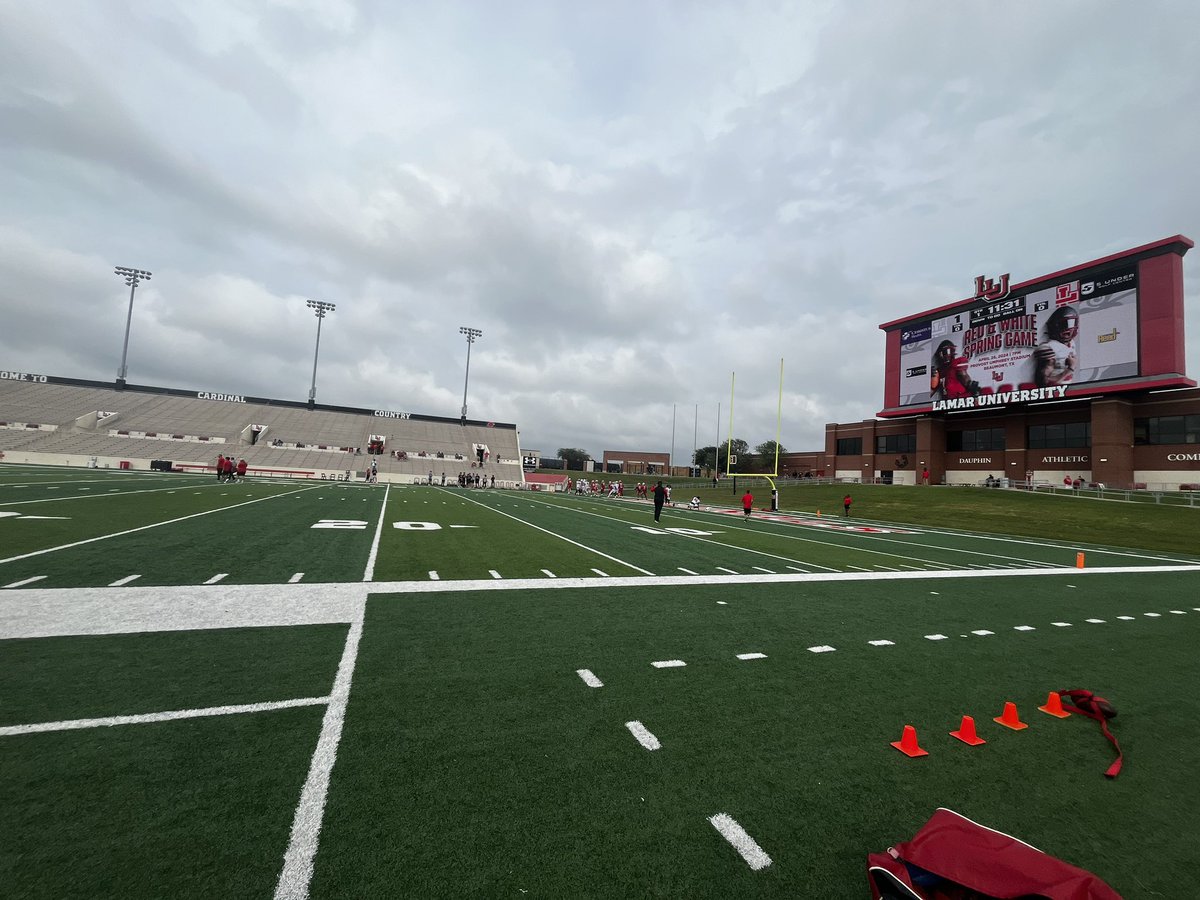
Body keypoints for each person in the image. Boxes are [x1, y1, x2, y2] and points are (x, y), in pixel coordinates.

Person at [1035, 306, 1079, 388]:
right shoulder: (1048, 348)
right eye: (1064, 324)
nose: (1069, 328)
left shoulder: (1072, 343)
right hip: (1054, 394)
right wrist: (1070, 368)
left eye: (1071, 322)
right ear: (1055, 326)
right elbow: (1045, 383)